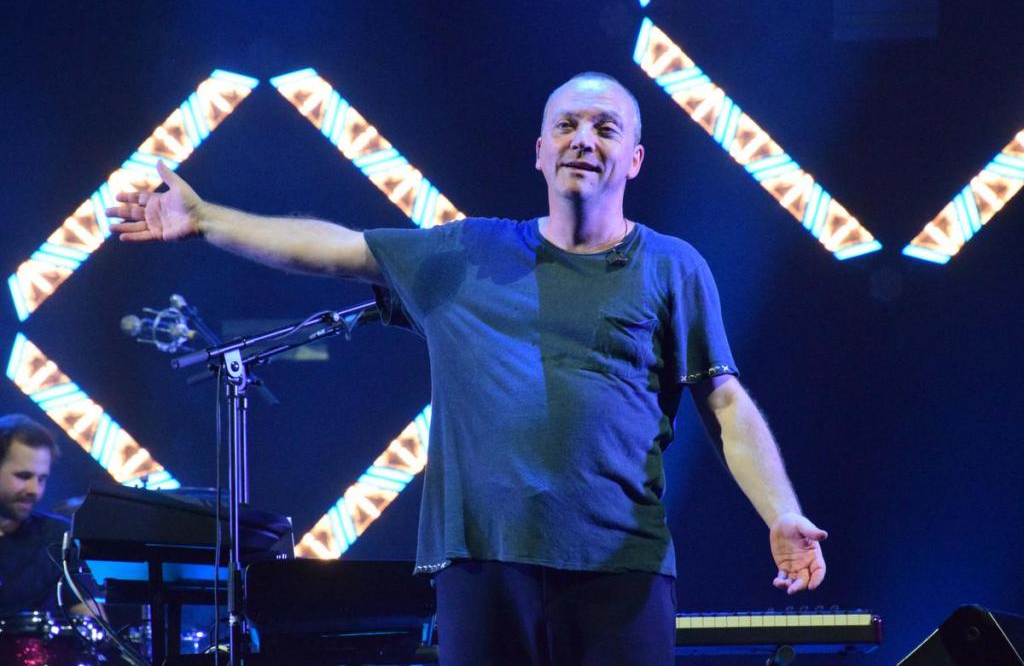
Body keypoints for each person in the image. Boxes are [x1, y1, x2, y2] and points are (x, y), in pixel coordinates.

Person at [107, 72, 827, 665]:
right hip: (483, 567)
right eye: (568, 125)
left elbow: (725, 403)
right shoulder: (468, 254)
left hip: (621, 567)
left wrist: (781, 512)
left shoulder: (673, 265)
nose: (584, 139)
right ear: (540, 152)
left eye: (606, 128)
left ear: (634, 159)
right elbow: (336, 249)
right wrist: (206, 220)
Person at [0, 413, 102, 618]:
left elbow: (92, 622)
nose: (34, 490)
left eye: (42, 479)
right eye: (23, 476)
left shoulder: (57, 538)